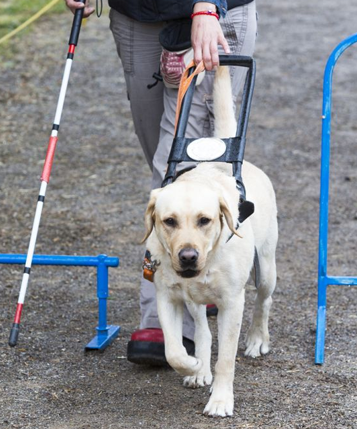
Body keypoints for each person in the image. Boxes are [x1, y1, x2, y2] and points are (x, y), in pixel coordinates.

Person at [65, 0, 257, 365]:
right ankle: (202, 272)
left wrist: (207, 6)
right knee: (159, 153)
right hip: (137, 14)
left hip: (211, 17)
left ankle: (164, 318)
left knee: (176, 170)